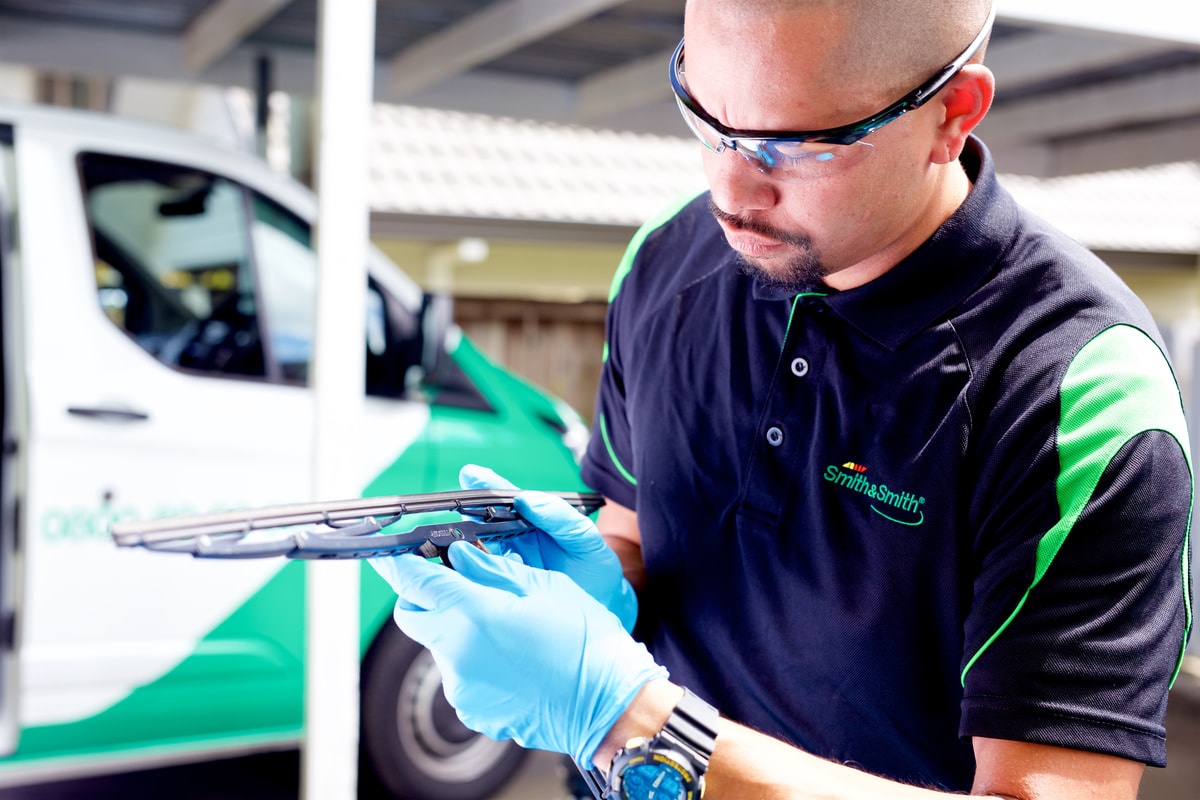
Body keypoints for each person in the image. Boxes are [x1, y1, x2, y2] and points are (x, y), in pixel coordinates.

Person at [370, 1, 1193, 798]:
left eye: (799, 143)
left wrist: (628, 721)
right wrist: (599, 592)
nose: (732, 189)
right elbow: (634, 531)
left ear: (953, 113)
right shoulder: (664, 260)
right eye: (706, 117)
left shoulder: (1074, 388)